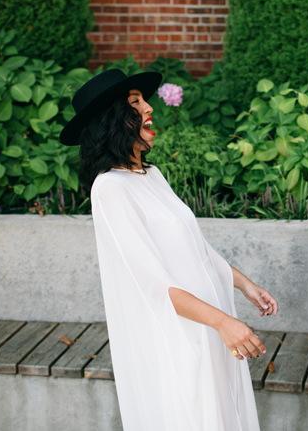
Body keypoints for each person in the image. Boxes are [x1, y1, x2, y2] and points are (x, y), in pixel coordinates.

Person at [60, 69, 278, 431]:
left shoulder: (152, 175)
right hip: (180, 335)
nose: (148, 108)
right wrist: (223, 322)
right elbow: (152, 284)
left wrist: (245, 285)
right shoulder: (111, 189)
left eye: (144, 100)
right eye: (135, 103)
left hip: (210, 326)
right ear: (111, 119)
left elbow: (196, 249)